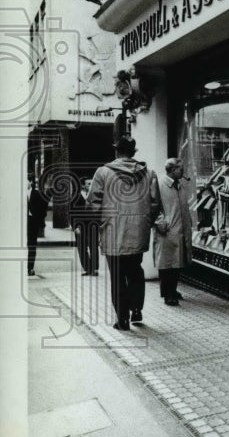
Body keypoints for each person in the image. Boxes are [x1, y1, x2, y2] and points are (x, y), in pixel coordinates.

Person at [87, 136, 158, 330]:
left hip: (112, 232)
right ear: (134, 152)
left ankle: (123, 318)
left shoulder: (103, 173)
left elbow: (93, 203)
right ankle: (136, 309)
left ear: (116, 151)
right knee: (135, 271)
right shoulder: (149, 173)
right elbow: (155, 204)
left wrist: (100, 223)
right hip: (138, 231)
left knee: (117, 276)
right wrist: (145, 222)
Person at [152, 157, 192, 306]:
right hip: (167, 231)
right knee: (166, 264)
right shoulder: (160, 184)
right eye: (180, 168)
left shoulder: (180, 184)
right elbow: (152, 205)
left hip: (179, 229)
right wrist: (159, 222)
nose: (183, 171)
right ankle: (167, 294)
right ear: (173, 169)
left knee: (177, 263)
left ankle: (173, 290)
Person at [69, 178, 99, 276]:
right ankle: (87, 268)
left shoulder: (94, 197)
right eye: (89, 184)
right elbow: (71, 213)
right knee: (82, 249)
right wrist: (75, 227)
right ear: (83, 186)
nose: (91, 186)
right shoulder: (75, 197)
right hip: (80, 227)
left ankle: (94, 269)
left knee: (93, 247)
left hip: (92, 226)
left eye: (91, 184)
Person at [26, 177, 48, 276]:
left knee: (31, 245)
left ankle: (30, 268)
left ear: (30, 182)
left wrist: (38, 219)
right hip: (21, 222)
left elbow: (44, 207)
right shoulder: (17, 192)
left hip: (32, 222)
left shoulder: (37, 193)